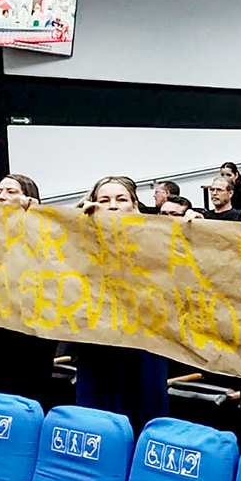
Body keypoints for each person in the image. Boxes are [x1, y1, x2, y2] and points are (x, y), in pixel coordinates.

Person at [76, 176, 169, 436]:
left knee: (144, 419)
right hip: (97, 348)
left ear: (134, 205)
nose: (113, 205)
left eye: (121, 199)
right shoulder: (75, 241)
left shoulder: (159, 237)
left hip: (145, 349)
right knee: (97, 424)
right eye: (104, 200)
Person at [0, 174, 56, 405]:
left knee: (24, 394)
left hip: (30, 333)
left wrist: (37, 219)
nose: (2, 196)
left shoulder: (47, 228)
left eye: (11, 192)